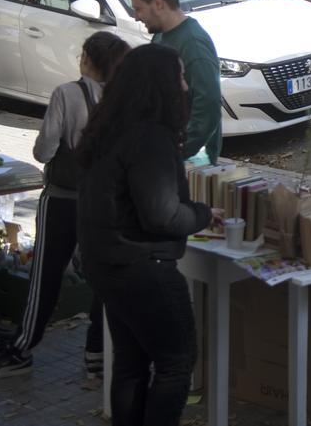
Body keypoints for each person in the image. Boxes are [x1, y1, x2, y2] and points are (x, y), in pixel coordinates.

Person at [0, 32, 131, 380]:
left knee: (46, 277)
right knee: (102, 279)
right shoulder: (125, 99)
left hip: (63, 199)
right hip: (106, 205)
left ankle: (21, 350)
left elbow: (43, 151)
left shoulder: (68, 94)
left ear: (87, 59)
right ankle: (96, 356)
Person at [76, 43, 218, 426]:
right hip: (141, 266)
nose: (186, 86)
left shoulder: (109, 127)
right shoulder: (149, 137)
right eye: (181, 78)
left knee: (131, 361)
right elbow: (162, 215)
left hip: (106, 261)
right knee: (176, 362)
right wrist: (204, 214)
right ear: (161, 86)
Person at [128, 0, 221, 164]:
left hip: (191, 160)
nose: (136, 17)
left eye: (139, 9)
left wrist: (179, 150)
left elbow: (208, 105)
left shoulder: (193, 43)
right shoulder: (162, 36)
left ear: (158, 3)